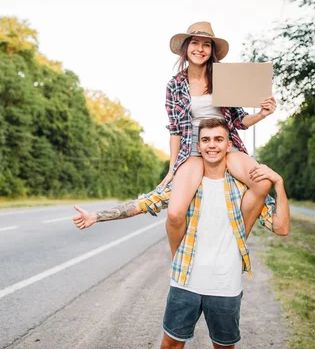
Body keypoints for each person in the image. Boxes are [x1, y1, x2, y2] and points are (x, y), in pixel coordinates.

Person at [73, 118, 290, 349]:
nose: (212, 145)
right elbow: (143, 204)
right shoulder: (185, 186)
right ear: (198, 146)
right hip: (185, 280)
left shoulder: (243, 188)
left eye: (218, 139)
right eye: (205, 140)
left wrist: (279, 183)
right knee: (170, 345)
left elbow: (281, 227)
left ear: (229, 145)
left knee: (224, 347)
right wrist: (96, 216)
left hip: (225, 285)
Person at [160, 21, 277, 258]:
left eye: (206, 45)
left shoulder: (223, 79)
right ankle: (177, 260)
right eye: (195, 43)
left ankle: (234, 245)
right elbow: (174, 130)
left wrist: (262, 114)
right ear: (186, 47)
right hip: (192, 148)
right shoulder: (175, 85)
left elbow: (239, 120)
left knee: (263, 182)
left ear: (212, 51)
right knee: (174, 214)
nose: (200, 49)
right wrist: (173, 169)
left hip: (226, 144)